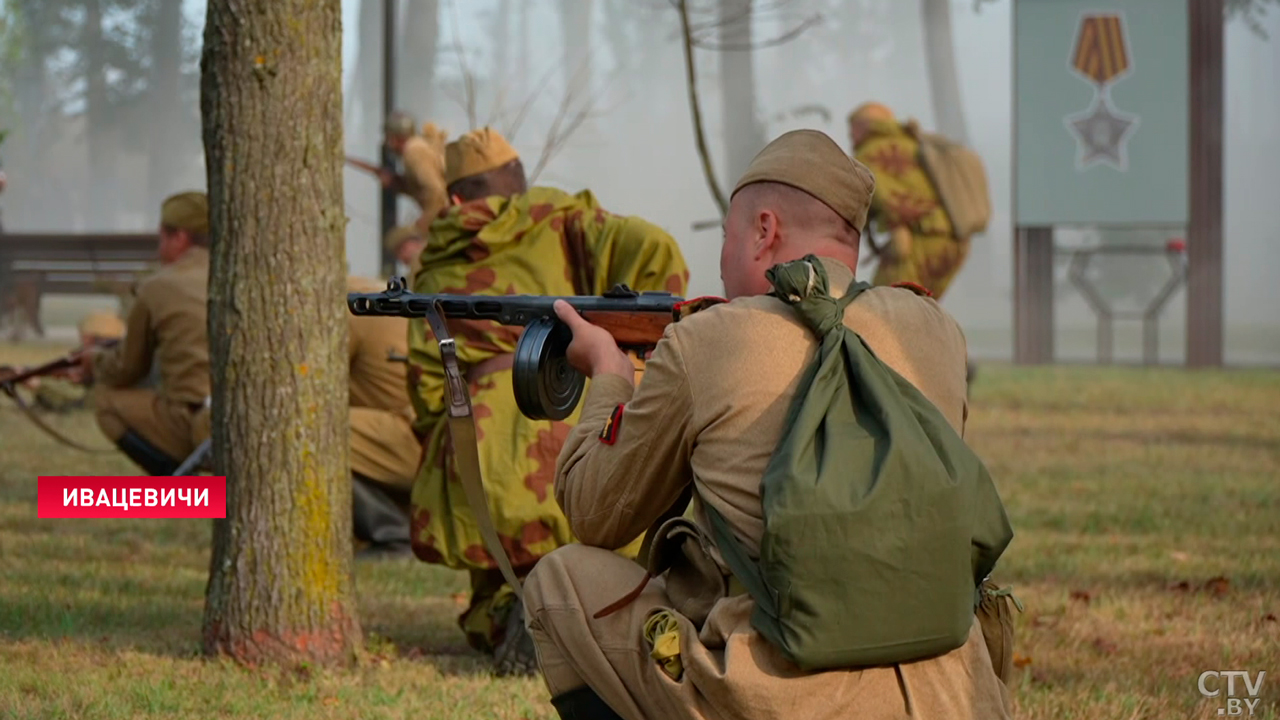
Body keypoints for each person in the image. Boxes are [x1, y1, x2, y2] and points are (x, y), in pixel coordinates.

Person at [520, 130, 1011, 720]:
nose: (723, 265)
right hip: (955, 700)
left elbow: (595, 514)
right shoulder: (935, 329)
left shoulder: (706, 342)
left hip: (785, 700)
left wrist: (610, 377)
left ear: (764, 231)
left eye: (728, 240)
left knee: (559, 582)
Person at [405, 127, 691, 676]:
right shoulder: (558, 217)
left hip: (476, 427)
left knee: (494, 560)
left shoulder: (436, 255)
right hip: (564, 407)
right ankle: (556, 617)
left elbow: (425, 377)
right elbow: (656, 248)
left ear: (457, 198)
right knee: (593, 540)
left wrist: (439, 442)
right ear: (518, 181)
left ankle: (510, 611)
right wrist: (636, 346)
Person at [80, 191, 211, 476]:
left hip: (195, 421)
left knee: (106, 401)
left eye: (162, 237)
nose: (159, 248)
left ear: (179, 238)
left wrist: (94, 362)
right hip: (241, 415)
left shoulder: (158, 287)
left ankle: (182, 492)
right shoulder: (237, 274)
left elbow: (127, 368)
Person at [847, 101, 971, 301]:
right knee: (922, 309)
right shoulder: (915, 144)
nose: (851, 137)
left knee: (883, 308)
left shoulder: (870, 151)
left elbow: (880, 198)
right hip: (953, 243)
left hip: (920, 239)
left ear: (864, 126)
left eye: (852, 129)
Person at [347, 274, 421, 559]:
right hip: (442, 437)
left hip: (417, 440)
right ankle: (200, 507)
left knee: (309, 432)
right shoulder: (376, 296)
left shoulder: (351, 309)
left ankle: (393, 536)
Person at [31, 312, 127, 412]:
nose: (82, 342)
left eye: (85, 337)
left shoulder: (107, 377)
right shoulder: (119, 360)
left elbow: (79, 408)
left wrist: (38, 386)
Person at [381, 111, 449, 232]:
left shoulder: (413, 153)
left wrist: (425, 223)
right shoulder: (418, 147)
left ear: (395, 138)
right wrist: (399, 185)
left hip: (444, 219)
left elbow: (435, 191)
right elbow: (423, 188)